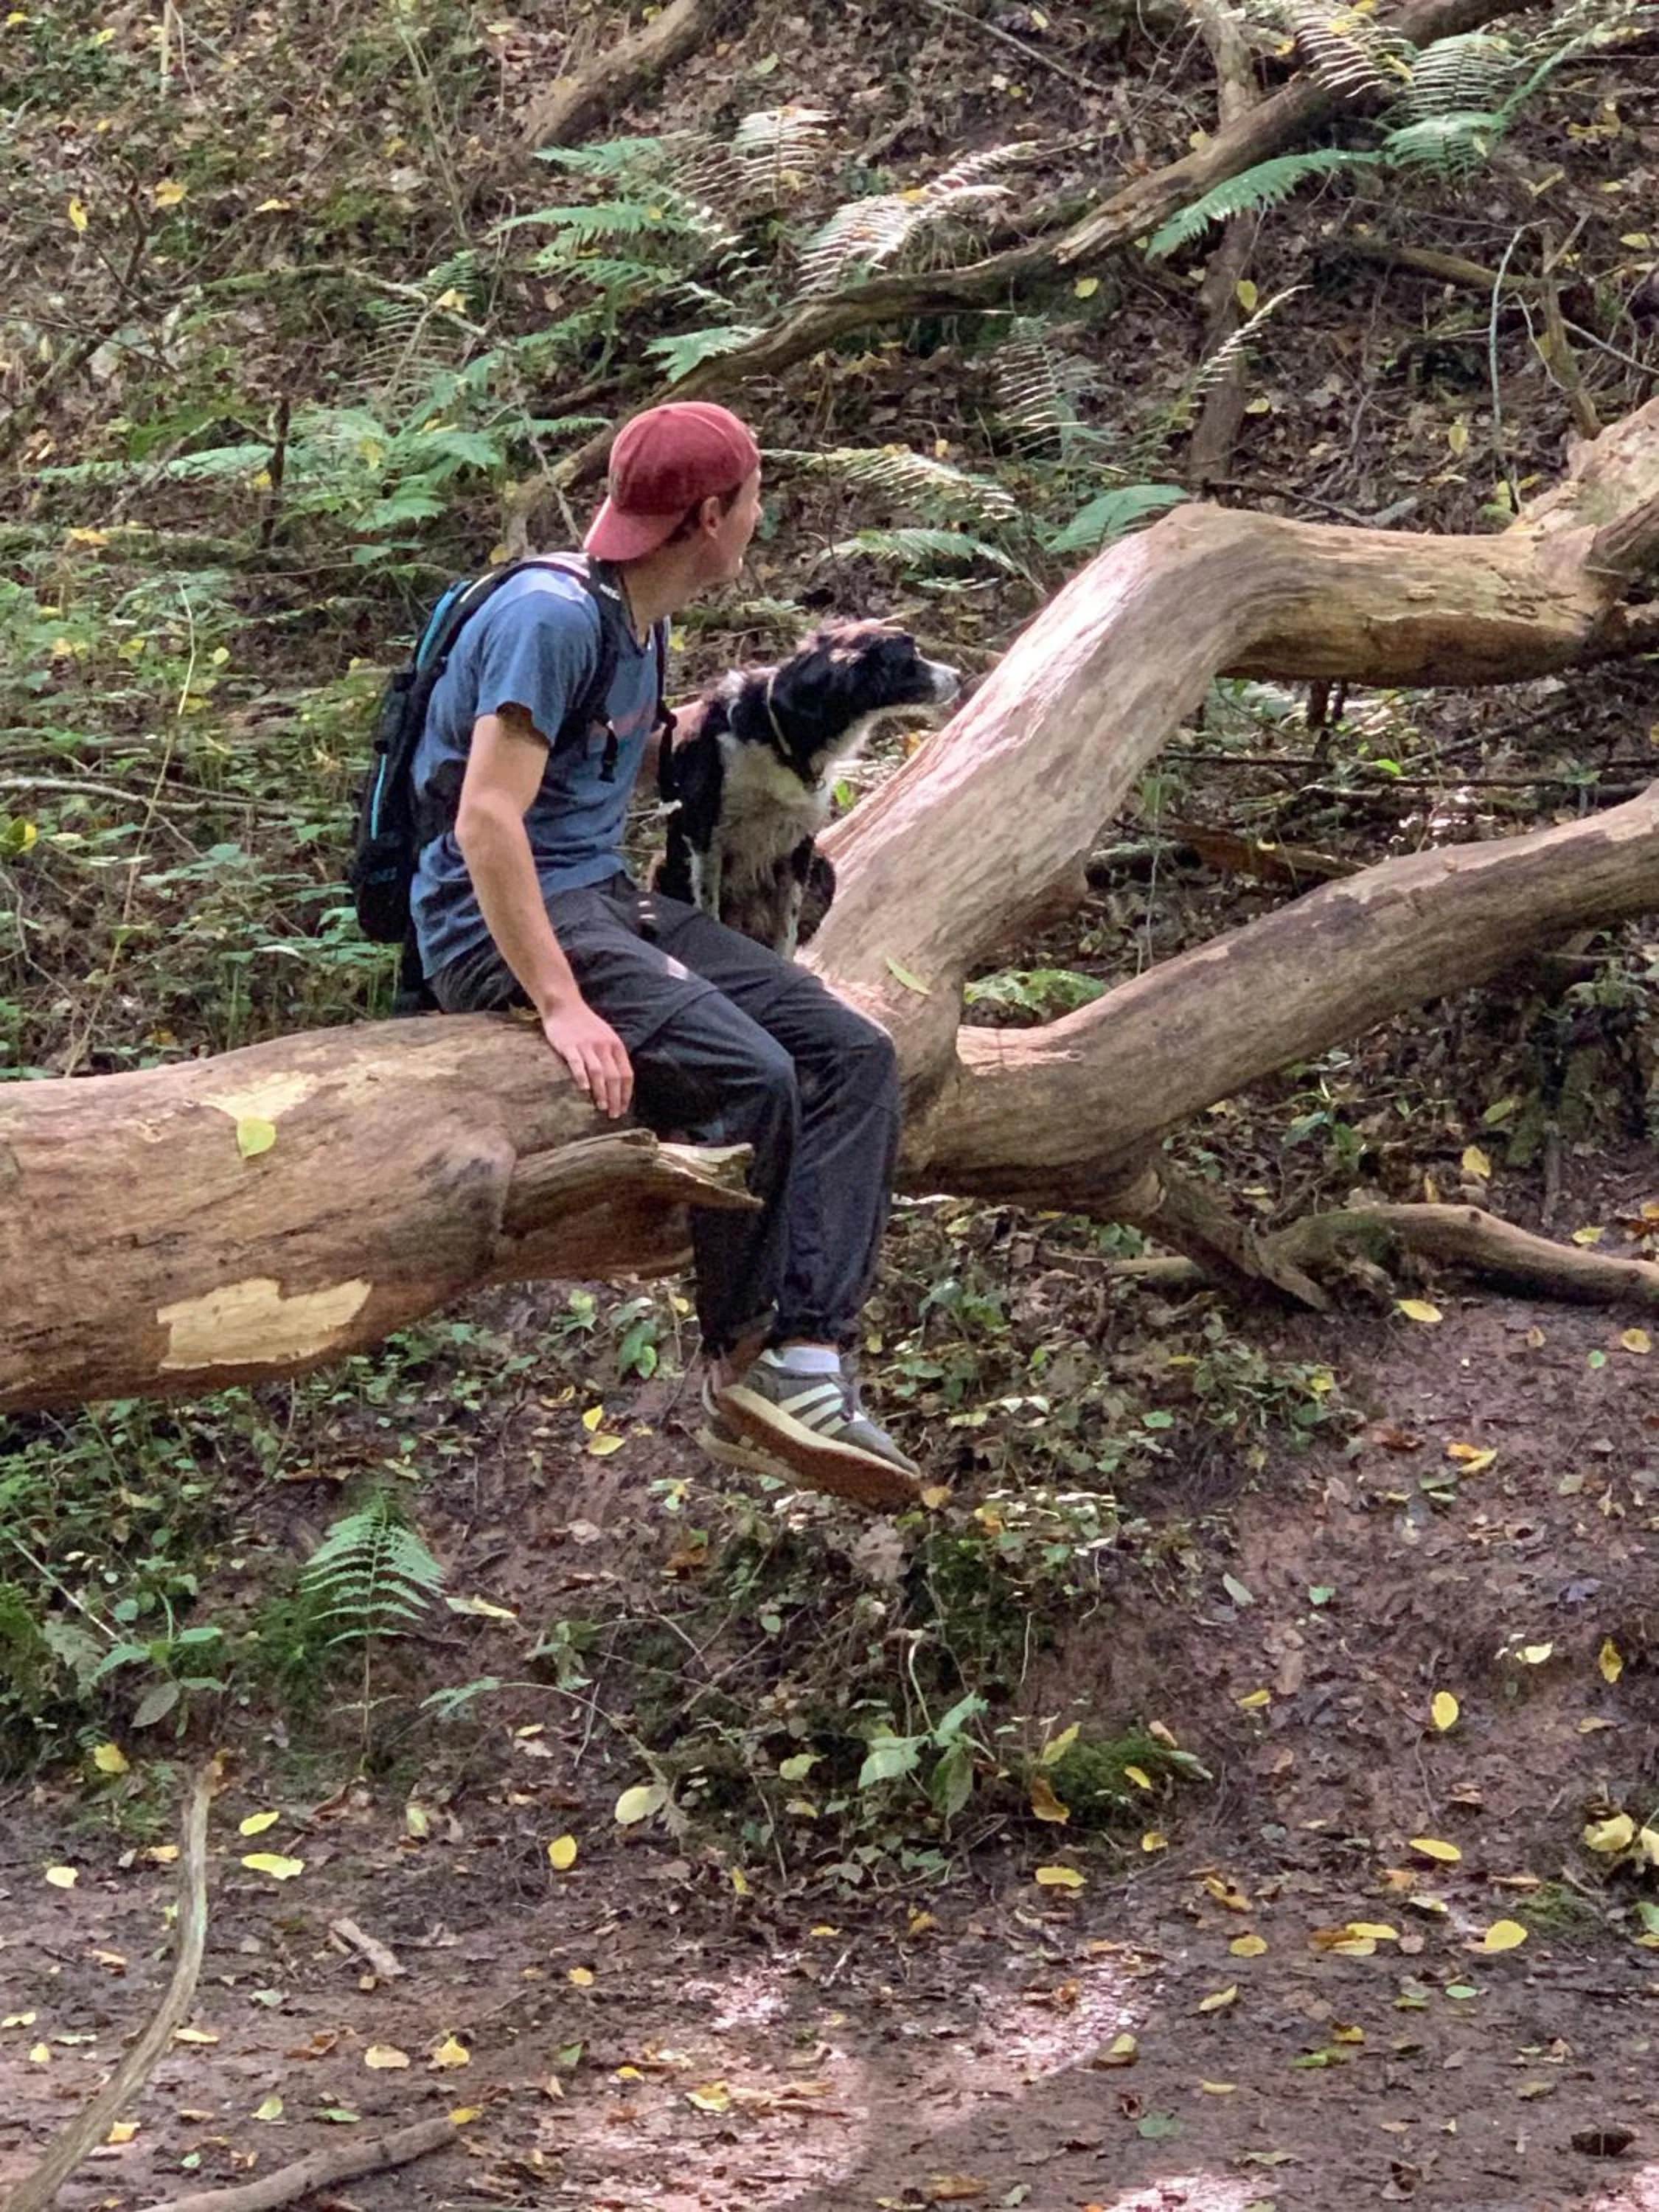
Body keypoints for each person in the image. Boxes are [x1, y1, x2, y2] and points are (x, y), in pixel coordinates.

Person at [409, 401, 919, 1512]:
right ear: (708, 513)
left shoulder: (633, 616)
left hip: (601, 898)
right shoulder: (553, 618)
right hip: (503, 919)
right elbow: (487, 823)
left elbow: (620, 765)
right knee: (753, 1076)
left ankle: (809, 1362)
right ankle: (740, 1371)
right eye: (752, 496)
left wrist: (768, 724)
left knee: (852, 1055)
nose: (758, 515)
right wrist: (559, 1005)